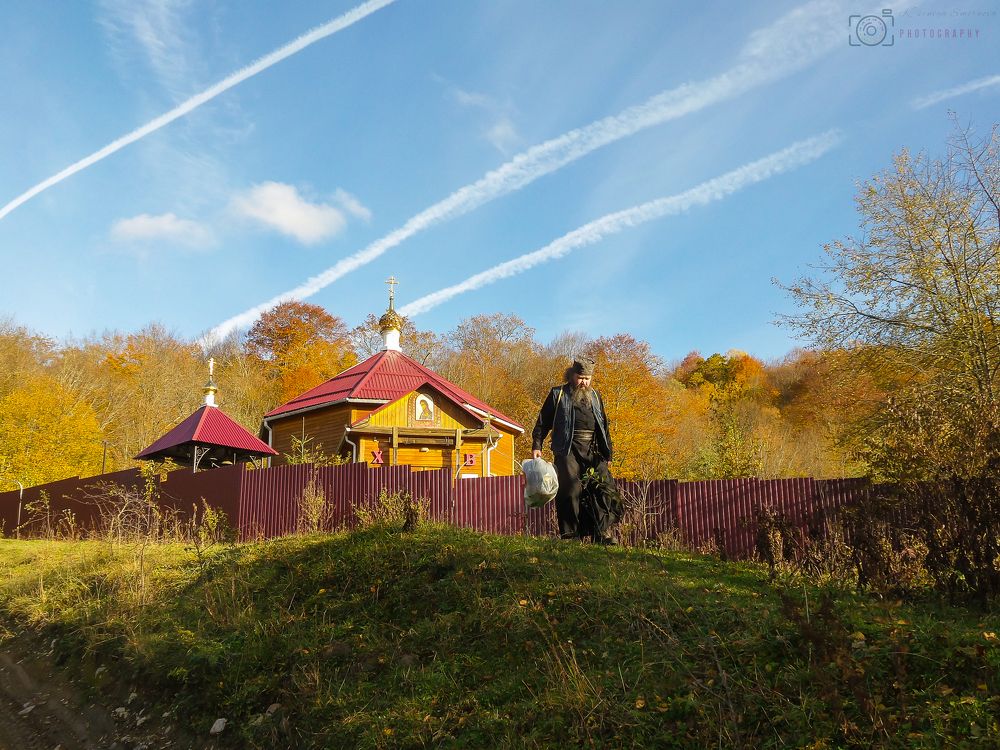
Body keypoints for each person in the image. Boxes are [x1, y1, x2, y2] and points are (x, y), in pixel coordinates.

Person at [531, 356, 618, 543]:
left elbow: (604, 426)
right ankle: (570, 535)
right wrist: (537, 445)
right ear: (572, 375)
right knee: (570, 489)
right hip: (567, 448)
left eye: (587, 378)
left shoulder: (595, 397)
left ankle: (601, 533)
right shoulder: (558, 394)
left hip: (593, 449)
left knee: (602, 489)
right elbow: (543, 422)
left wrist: (607, 452)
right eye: (580, 377)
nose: (584, 382)